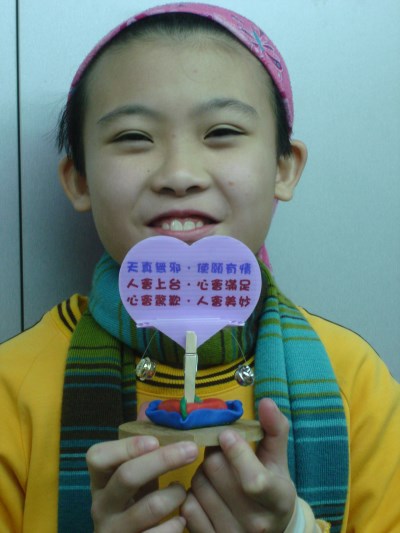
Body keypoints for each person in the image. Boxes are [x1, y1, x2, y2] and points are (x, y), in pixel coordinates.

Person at [0, 3, 399, 532]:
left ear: (284, 168)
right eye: (133, 137)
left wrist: (294, 527)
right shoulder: (13, 386)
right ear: (79, 180)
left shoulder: (355, 380)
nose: (180, 173)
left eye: (222, 131)